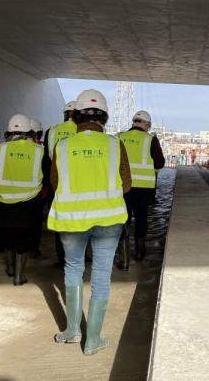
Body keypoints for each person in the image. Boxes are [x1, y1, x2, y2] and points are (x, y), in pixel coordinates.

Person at [49, 89, 131, 355]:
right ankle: (93, 339)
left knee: (73, 268)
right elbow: (127, 184)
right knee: (102, 275)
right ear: (104, 117)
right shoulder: (114, 144)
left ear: (75, 116)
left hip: (71, 220)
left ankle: (72, 330)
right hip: (108, 220)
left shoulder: (62, 146)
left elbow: (54, 182)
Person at [0, 114, 44, 286]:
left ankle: (9, 269)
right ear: (29, 131)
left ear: (9, 131)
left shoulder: (2, 148)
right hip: (29, 200)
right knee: (23, 237)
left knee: (8, 235)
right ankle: (19, 276)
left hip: (4, 198)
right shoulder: (39, 150)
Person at [117, 110, 164, 267]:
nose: (149, 128)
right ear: (145, 124)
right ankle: (139, 252)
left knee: (123, 220)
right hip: (143, 189)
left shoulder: (120, 137)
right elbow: (159, 163)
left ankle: (124, 258)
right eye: (148, 125)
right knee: (141, 220)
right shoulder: (150, 140)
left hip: (123, 187)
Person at [43, 101, 77, 267]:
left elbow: (46, 159)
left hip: (56, 182)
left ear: (64, 114)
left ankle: (61, 257)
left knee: (60, 219)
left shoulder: (51, 131)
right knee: (79, 220)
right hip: (78, 182)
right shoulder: (82, 131)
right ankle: (79, 255)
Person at [28, 117, 46, 258]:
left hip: (14, 192)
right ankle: (33, 248)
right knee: (35, 223)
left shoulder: (7, 147)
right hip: (37, 191)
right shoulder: (41, 149)